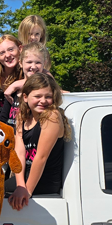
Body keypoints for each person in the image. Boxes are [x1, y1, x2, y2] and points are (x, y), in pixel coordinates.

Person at [10, 73, 71, 208]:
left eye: (48, 96)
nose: (43, 101)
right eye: (37, 96)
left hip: (44, 181)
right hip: (25, 179)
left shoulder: (51, 116)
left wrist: (27, 191)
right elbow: (19, 152)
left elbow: (41, 157)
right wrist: (20, 185)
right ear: (25, 97)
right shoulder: (23, 116)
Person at [0, 42, 50, 126]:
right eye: (29, 62)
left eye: (38, 63)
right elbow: (3, 118)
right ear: (20, 63)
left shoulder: (45, 89)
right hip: (9, 135)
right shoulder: (14, 90)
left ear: (44, 63)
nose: (34, 66)